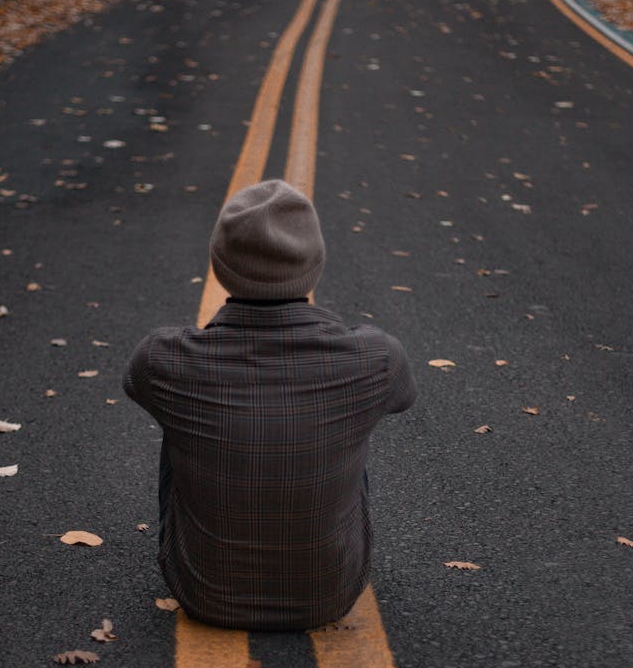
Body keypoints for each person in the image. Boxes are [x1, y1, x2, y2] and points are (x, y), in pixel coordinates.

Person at [123, 178, 416, 631]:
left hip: (204, 595)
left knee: (178, 421)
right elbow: (403, 398)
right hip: (330, 596)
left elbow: (133, 385)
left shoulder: (163, 358)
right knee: (347, 420)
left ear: (220, 267)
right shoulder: (374, 357)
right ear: (315, 265)